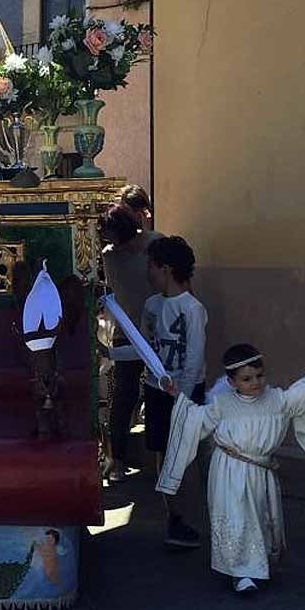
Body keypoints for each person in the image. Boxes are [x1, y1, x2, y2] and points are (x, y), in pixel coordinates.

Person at [157, 345, 305, 594]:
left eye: (260, 376)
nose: (256, 383)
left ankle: (256, 565)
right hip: (229, 472)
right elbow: (194, 417)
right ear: (231, 382)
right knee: (237, 517)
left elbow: (303, 393)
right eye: (246, 379)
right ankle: (240, 572)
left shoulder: (276, 399)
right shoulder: (222, 404)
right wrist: (175, 393)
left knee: (260, 515)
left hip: (260, 471)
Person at [110, 235, 207, 549]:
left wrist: (182, 397)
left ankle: (194, 516)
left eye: (151, 265)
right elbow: (144, 348)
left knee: (187, 455)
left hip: (184, 394)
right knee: (162, 453)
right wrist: (109, 355)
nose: (147, 271)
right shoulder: (152, 306)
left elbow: (194, 358)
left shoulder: (193, 309)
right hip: (155, 390)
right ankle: (174, 517)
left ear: (165, 269)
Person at [99, 203, 161, 481]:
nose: (120, 248)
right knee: (124, 397)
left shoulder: (155, 244)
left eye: (123, 242)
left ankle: (163, 457)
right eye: (113, 243)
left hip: (159, 332)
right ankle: (118, 459)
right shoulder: (109, 256)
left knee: (160, 392)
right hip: (126, 332)